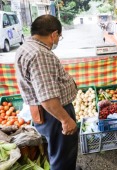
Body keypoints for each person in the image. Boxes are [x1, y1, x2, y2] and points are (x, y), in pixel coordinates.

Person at [15, 15, 79, 170]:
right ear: (54, 34)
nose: (57, 41)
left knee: (54, 151)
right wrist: (65, 119)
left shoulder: (26, 47)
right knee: (62, 155)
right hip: (54, 114)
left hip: (45, 113)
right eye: (59, 37)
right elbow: (48, 97)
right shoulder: (40, 54)